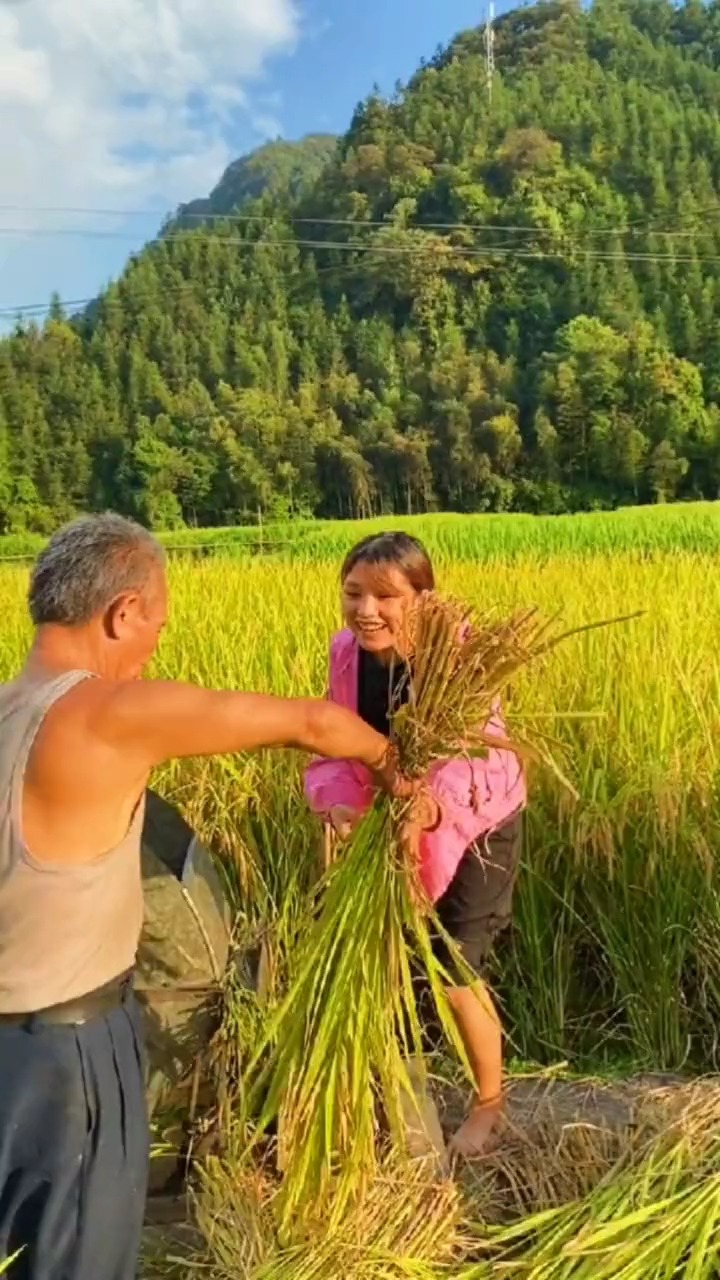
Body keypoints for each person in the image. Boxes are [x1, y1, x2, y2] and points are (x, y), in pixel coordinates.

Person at [0, 513, 408, 1280]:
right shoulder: (107, 711)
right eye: (156, 622)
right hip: (69, 1053)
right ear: (123, 613)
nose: (155, 641)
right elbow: (314, 723)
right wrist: (393, 766)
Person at [304, 532, 527, 1159]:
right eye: (353, 594)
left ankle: (490, 1106)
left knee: (455, 963)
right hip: (389, 816)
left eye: (386, 595)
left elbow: (476, 754)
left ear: (425, 600)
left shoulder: (460, 660)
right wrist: (339, 804)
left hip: (476, 818)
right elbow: (340, 742)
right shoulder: (347, 654)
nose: (366, 609)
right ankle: (385, 1084)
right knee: (384, 953)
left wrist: (427, 810)